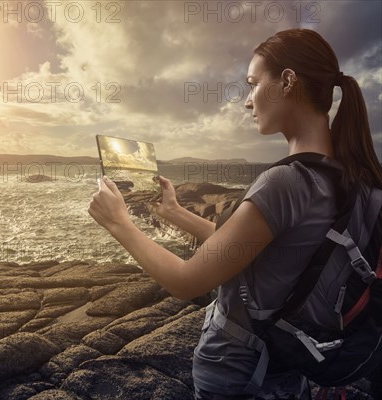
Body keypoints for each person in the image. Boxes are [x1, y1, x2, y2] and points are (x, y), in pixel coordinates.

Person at [88, 28, 382, 399]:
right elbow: (248, 249)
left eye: (253, 83)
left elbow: (186, 282)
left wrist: (118, 222)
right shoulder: (351, 181)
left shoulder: (285, 182)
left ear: (287, 81)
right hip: (289, 366)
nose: (247, 101)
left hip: (239, 373)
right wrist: (176, 212)